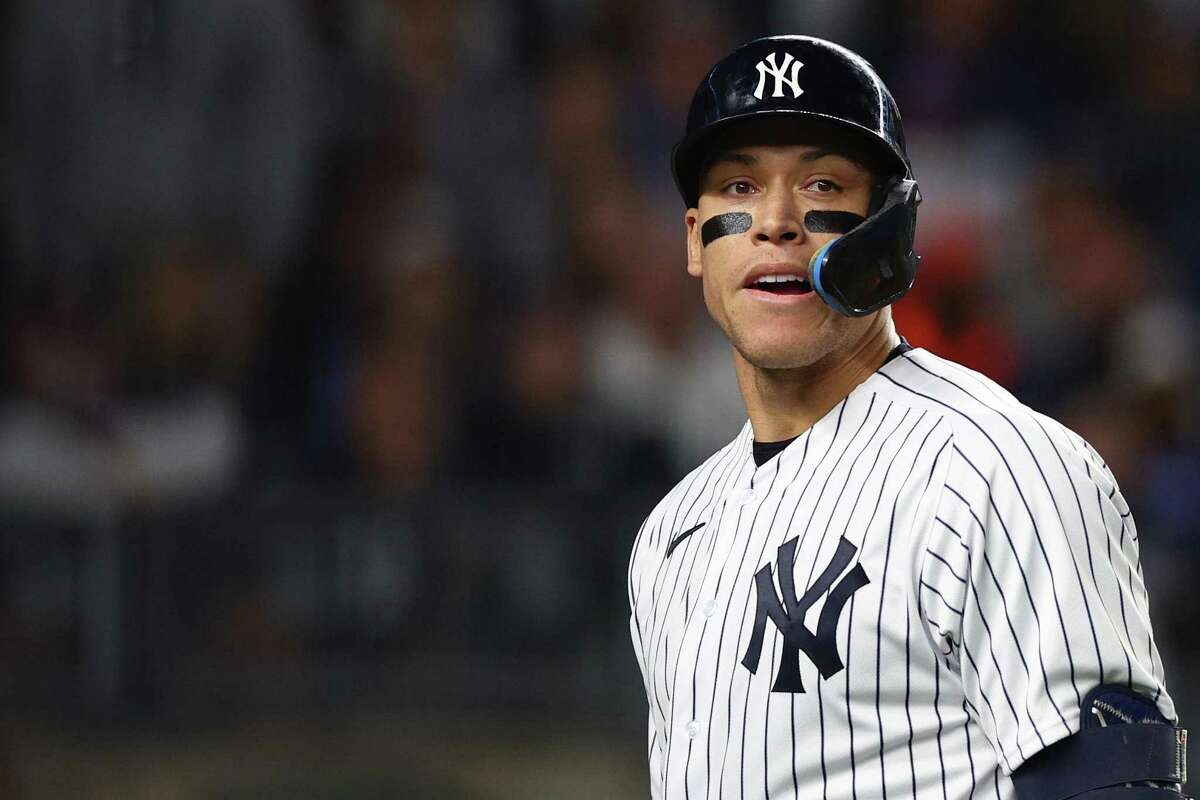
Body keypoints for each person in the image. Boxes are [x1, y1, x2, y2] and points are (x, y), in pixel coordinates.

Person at [626, 35, 1189, 799]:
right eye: (739, 187)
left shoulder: (1000, 467)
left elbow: (1111, 788)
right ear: (696, 241)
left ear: (889, 230)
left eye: (822, 185)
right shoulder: (670, 537)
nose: (777, 222)